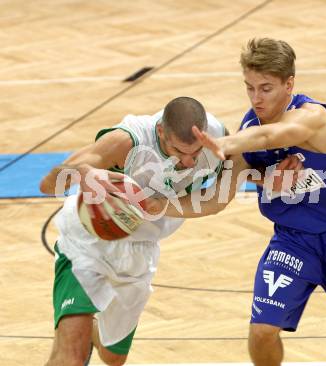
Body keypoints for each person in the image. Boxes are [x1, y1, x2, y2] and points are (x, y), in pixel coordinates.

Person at [146, 39, 326, 366]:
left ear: (288, 84)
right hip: (296, 240)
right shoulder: (248, 130)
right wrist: (157, 205)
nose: (256, 98)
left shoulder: (314, 119)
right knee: (262, 330)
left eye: (266, 88)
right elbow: (214, 199)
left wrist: (224, 143)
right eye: (249, 88)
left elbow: (272, 136)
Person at [39, 97, 230, 366]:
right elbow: (48, 184)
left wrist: (163, 205)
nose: (188, 162)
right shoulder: (129, 140)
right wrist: (84, 173)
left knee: (114, 357)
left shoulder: (218, 138)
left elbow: (219, 198)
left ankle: (91, 331)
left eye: (195, 153)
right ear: (162, 132)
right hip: (88, 242)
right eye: (178, 151)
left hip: (140, 252)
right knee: (72, 355)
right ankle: (78, 331)